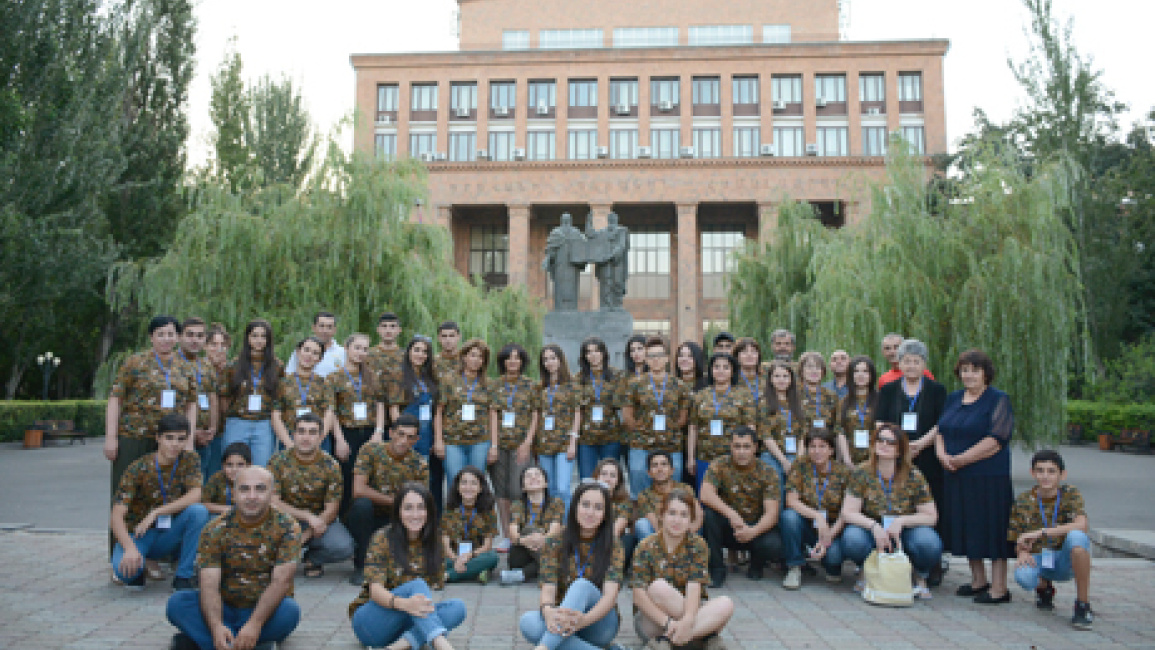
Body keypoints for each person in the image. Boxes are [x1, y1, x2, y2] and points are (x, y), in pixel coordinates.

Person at [166, 466, 302, 650]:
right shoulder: (215, 528)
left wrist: (254, 624)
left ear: (272, 493)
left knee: (290, 612)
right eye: (244, 489)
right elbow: (209, 583)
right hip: (223, 608)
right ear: (234, 493)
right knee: (177, 603)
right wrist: (215, 626)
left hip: (265, 610)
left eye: (260, 489)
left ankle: (209, 642)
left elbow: (281, 582)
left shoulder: (288, 526)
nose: (252, 496)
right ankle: (246, 644)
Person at [105, 315, 199, 556]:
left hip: (170, 443)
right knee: (125, 496)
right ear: (151, 337)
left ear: (178, 337)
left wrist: (187, 441)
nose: (166, 339)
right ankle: (120, 550)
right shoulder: (134, 363)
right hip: (134, 437)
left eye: (171, 334)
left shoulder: (185, 368)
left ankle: (151, 554)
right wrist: (111, 437)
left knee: (161, 494)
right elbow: (115, 398)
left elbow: (191, 404)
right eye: (161, 334)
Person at [934, 348, 1015, 604]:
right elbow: (941, 430)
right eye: (965, 370)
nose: (969, 375)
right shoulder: (954, 398)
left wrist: (962, 459)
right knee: (968, 526)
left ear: (986, 373)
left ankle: (1000, 587)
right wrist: (941, 455)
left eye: (974, 370)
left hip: (988, 477)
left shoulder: (998, 399)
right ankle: (978, 580)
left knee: (992, 528)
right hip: (957, 476)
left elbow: (997, 439)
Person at [349, 483, 467, 650]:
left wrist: (457, 564)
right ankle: (440, 643)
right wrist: (405, 604)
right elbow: (375, 592)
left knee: (457, 608)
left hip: (404, 622)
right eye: (408, 508)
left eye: (421, 508)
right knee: (418, 585)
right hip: (372, 623)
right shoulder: (382, 537)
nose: (415, 514)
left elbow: (428, 595)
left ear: (429, 512)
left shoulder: (435, 541)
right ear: (398, 512)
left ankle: (399, 646)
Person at [518, 481, 626, 650]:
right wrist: (548, 613)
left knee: (581, 585)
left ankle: (544, 647)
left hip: (597, 624)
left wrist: (583, 621)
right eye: (585, 505)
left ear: (605, 514)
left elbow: (609, 597)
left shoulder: (613, 544)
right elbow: (548, 592)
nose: (590, 512)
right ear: (575, 507)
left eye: (598, 507)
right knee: (528, 622)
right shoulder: (555, 541)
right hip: (563, 621)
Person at [840, 423, 942, 599]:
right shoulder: (862, 472)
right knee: (852, 539)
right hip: (871, 529)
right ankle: (867, 570)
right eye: (880, 440)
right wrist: (873, 526)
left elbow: (931, 516)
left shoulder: (913, 475)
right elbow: (848, 512)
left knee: (929, 543)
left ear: (900, 450)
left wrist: (902, 522)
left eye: (891, 442)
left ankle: (919, 575)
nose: (884, 444)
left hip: (905, 530)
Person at [875, 338, 948, 585]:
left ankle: (932, 562)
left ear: (924, 364)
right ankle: (890, 553)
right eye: (907, 361)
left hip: (926, 455)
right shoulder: (888, 389)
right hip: (894, 455)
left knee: (929, 503)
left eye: (917, 361)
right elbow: (880, 422)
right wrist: (899, 447)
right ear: (900, 363)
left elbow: (941, 423)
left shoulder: (937, 390)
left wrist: (919, 445)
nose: (912, 366)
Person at [110, 413, 209, 591]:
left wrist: (157, 512)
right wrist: (130, 548)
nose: (174, 444)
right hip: (139, 534)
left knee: (198, 512)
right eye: (169, 438)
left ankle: (183, 576)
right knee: (125, 573)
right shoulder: (138, 468)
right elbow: (116, 515)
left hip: (169, 533)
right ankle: (138, 563)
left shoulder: (189, 459)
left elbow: (196, 495)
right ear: (158, 438)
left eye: (180, 439)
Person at [630, 489, 732, 650]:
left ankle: (667, 641)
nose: (677, 520)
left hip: (692, 615)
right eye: (672, 513)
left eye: (684, 515)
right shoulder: (646, 546)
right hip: (655, 620)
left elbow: (694, 586)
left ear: (691, 519)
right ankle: (704, 637)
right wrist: (669, 622)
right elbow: (638, 596)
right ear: (662, 515)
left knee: (726, 604)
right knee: (659, 588)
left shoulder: (698, 545)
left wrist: (688, 620)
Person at [1009, 450, 1093, 629]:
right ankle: (1043, 587)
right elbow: (1017, 538)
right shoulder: (1024, 500)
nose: (1045, 476)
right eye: (1040, 471)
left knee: (1078, 537)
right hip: (1041, 558)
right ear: (1033, 473)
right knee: (1023, 575)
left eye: (1051, 471)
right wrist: (1022, 552)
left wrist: (1042, 532)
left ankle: (1082, 605)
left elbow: (1082, 525)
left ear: (1062, 474)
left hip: (1065, 559)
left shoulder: (1070, 494)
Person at [267, 413, 353, 578]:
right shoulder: (277, 461)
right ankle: (279, 558)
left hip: (318, 522)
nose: (306, 437)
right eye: (301, 432)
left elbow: (332, 510)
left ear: (321, 437)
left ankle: (312, 558)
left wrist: (304, 536)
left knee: (343, 547)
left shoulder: (331, 465)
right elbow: (273, 501)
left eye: (312, 432)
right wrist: (306, 516)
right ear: (294, 435)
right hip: (285, 520)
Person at [348, 413, 430, 586]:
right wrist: (394, 501)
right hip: (370, 516)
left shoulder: (419, 463)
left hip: (398, 518)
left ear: (416, 440)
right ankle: (362, 564)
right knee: (361, 506)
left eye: (410, 437)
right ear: (391, 433)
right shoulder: (370, 450)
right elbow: (358, 490)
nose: (403, 441)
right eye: (400, 434)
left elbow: (422, 500)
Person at [699, 426, 783, 587]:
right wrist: (731, 514)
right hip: (730, 528)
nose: (741, 452)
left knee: (774, 544)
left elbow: (772, 514)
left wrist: (752, 532)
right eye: (737, 446)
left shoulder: (767, 471)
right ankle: (716, 569)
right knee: (709, 516)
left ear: (755, 448)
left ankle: (756, 564)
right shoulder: (719, 464)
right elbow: (705, 494)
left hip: (755, 529)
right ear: (730, 447)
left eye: (746, 446)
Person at [780, 428, 853, 589]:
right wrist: (817, 517)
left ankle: (830, 563)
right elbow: (791, 501)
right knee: (788, 517)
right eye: (812, 446)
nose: (817, 451)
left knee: (833, 560)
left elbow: (847, 512)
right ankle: (794, 567)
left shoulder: (843, 473)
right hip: (806, 525)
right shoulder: (800, 465)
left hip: (832, 530)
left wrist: (828, 535)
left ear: (831, 450)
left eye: (822, 446)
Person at [622, 337, 691, 495]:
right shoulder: (635, 384)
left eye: (660, 355)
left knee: (673, 490)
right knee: (639, 489)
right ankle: (640, 519)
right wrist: (642, 431)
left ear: (667, 358)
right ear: (646, 359)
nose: (656, 359)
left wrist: (669, 430)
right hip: (641, 445)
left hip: (671, 445)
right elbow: (627, 416)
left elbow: (683, 418)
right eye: (651, 356)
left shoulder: (680, 385)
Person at [329, 332, 386, 517]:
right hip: (347, 433)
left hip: (370, 433)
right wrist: (339, 439)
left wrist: (378, 431)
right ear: (346, 348)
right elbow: (332, 411)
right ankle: (345, 521)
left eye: (364, 349)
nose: (360, 352)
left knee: (372, 478)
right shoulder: (334, 377)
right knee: (346, 479)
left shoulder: (372, 376)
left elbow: (380, 404)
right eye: (357, 348)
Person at [387, 335, 445, 510]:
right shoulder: (398, 375)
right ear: (409, 352)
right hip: (406, 435)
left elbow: (436, 411)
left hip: (425, 436)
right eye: (417, 350)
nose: (420, 354)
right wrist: (401, 436)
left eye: (425, 351)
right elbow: (394, 407)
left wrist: (436, 439)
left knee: (422, 480)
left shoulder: (430, 377)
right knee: (403, 479)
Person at [492, 342, 539, 551]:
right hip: (500, 445)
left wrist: (527, 442)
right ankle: (506, 536)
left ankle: (519, 533)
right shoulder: (495, 385)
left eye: (517, 358)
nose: (513, 361)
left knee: (518, 489)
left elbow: (535, 414)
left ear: (522, 362)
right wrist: (493, 445)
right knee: (501, 491)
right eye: (508, 358)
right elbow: (493, 415)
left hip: (521, 445)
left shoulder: (530, 385)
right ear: (503, 361)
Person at [687, 352, 756, 492]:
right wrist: (690, 458)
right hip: (704, 458)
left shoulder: (744, 395)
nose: (720, 371)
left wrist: (750, 454)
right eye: (716, 367)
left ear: (732, 371)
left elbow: (750, 427)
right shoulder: (700, 395)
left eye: (725, 367)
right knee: (705, 499)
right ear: (711, 370)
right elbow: (692, 428)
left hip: (734, 458)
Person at [219, 319, 283, 467]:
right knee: (234, 467)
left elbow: (278, 397)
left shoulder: (277, 366)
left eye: (263, 336)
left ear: (268, 340)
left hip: (264, 424)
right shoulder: (234, 365)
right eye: (255, 335)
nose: (259, 340)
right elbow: (224, 397)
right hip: (237, 422)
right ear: (248, 338)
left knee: (261, 466)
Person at [436, 338, 497, 488]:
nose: (476, 360)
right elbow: (439, 412)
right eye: (473, 355)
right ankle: (455, 512)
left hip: (480, 443)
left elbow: (493, 415)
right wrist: (438, 441)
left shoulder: (489, 384)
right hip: (452, 442)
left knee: (476, 484)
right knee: (455, 482)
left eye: (480, 357)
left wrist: (494, 445)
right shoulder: (448, 380)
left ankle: (476, 512)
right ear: (464, 357)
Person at [271, 337, 338, 456]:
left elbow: (329, 413)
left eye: (315, 353)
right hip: (289, 438)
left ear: (320, 359)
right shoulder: (283, 382)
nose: (309, 355)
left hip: (318, 440)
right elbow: (276, 415)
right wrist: (288, 443)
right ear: (298, 352)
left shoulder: (325, 383)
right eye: (306, 350)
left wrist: (318, 440)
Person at [536, 344, 581, 506]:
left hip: (564, 444)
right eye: (545, 359)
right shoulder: (540, 388)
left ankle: (566, 527)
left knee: (563, 488)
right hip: (544, 444)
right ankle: (552, 527)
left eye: (553, 358)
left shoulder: (572, 385)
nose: (549, 362)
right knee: (550, 488)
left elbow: (577, 413)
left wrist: (573, 442)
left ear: (561, 360)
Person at [507, 465, 566, 584]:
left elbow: (554, 531)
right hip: (521, 554)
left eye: (537, 475)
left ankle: (521, 575)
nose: (533, 478)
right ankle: (557, 572)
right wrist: (526, 540)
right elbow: (513, 534)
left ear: (546, 483)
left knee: (553, 542)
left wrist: (540, 539)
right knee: (529, 529)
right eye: (528, 476)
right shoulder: (517, 504)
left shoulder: (556, 503)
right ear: (523, 487)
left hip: (546, 549)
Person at [179, 317, 221, 482]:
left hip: (204, 438)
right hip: (179, 437)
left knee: (201, 480)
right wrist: (190, 433)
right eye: (190, 335)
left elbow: (212, 397)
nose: (194, 340)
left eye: (199, 336)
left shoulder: (206, 365)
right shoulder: (172, 364)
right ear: (180, 337)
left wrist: (212, 428)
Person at [442, 465, 500, 583]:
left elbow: (487, 546)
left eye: (473, 483)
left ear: (480, 488)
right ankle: (475, 572)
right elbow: (446, 545)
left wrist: (469, 556)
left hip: (477, 556)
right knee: (436, 559)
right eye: (464, 483)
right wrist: (456, 559)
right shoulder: (449, 508)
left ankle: (448, 575)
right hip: (452, 556)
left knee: (493, 557)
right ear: (458, 487)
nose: (468, 487)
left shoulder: (488, 510)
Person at [575, 337, 623, 479]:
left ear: (603, 353)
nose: (593, 355)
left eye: (597, 351)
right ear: (584, 356)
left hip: (611, 438)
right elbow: (578, 411)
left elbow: (622, 406)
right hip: (586, 440)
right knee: (587, 479)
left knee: (610, 479)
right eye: (588, 352)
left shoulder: (616, 375)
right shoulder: (578, 378)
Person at [634, 451, 701, 540]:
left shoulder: (685, 488)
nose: (660, 469)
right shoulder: (644, 495)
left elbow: (699, 514)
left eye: (664, 464)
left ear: (672, 470)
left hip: (686, 533)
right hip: (661, 537)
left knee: (700, 521)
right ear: (649, 473)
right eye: (655, 465)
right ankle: (655, 553)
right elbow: (655, 524)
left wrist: (690, 530)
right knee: (641, 524)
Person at [759, 360, 804, 487]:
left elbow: (802, 434)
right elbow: (765, 435)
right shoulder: (764, 403)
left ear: (791, 379)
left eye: (785, 376)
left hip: (794, 455)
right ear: (771, 379)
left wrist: (799, 459)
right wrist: (784, 461)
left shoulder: (797, 403)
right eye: (777, 376)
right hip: (772, 456)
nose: (781, 380)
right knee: (777, 493)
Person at [834, 355, 879, 466]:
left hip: (875, 460)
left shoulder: (881, 400)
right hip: (850, 461)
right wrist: (847, 459)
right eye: (856, 371)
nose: (860, 375)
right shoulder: (844, 401)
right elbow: (840, 431)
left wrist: (874, 459)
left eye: (865, 371)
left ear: (871, 375)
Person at [593, 458, 636, 564]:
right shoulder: (587, 498)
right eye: (604, 474)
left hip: (612, 545)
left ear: (618, 480)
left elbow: (616, 530)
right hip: (590, 542)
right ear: (597, 477)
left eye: (612, 475)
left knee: (629, 540)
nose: (608, 479)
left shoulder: (624, 502)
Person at [286, 310, 346, 377]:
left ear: (334, 330)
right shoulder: (302, 350)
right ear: (314, 328)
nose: (325, 331)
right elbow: (289, 373)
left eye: (329, 327)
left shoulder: (343, 353)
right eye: (321, 326)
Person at [202, 441, 252, 516]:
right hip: (221, 517)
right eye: (229, 465)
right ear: (223, 466)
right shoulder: (217, 478)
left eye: (240, 465)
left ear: (249, 466)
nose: (234, 470)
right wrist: (231, 509)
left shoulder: (255, 480)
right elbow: (204, 504)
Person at [366, 311, 405, 387]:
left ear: (399, 330)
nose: (388, 330)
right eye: (384, 326)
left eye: (392, 326)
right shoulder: (368, 355)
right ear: (378, 330)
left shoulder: (407, 356)